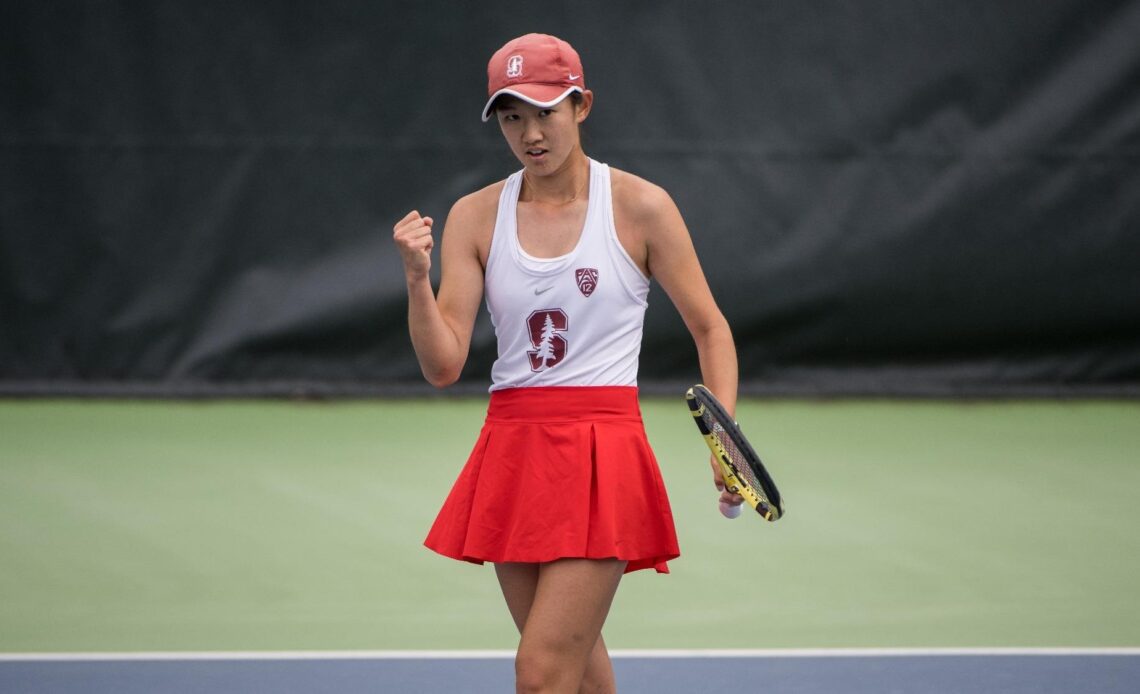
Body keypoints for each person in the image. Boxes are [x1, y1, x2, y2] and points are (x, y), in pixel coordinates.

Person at [392, 33, 740, 694]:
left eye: (545, 111)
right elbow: (443, 365)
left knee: (541, 671)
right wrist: (416, 279)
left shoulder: (641, 207)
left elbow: (710, 327)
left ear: (582, 106)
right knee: (576, 675)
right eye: (511, 116)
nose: (529, 132)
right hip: (512, 449)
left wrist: (724, 441)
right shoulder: (475, 217)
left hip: (601, 452)